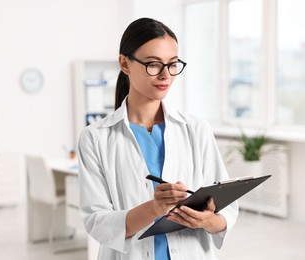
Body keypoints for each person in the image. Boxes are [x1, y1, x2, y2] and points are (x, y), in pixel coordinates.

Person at [77, 17, 238, 260]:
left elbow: (226, 212)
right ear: (125, 63)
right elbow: (97, 221)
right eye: (153, 64)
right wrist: (154, 209)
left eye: (172, 64)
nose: (165, 75)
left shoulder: (196, 129)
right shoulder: (95, 138)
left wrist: (208, 221)